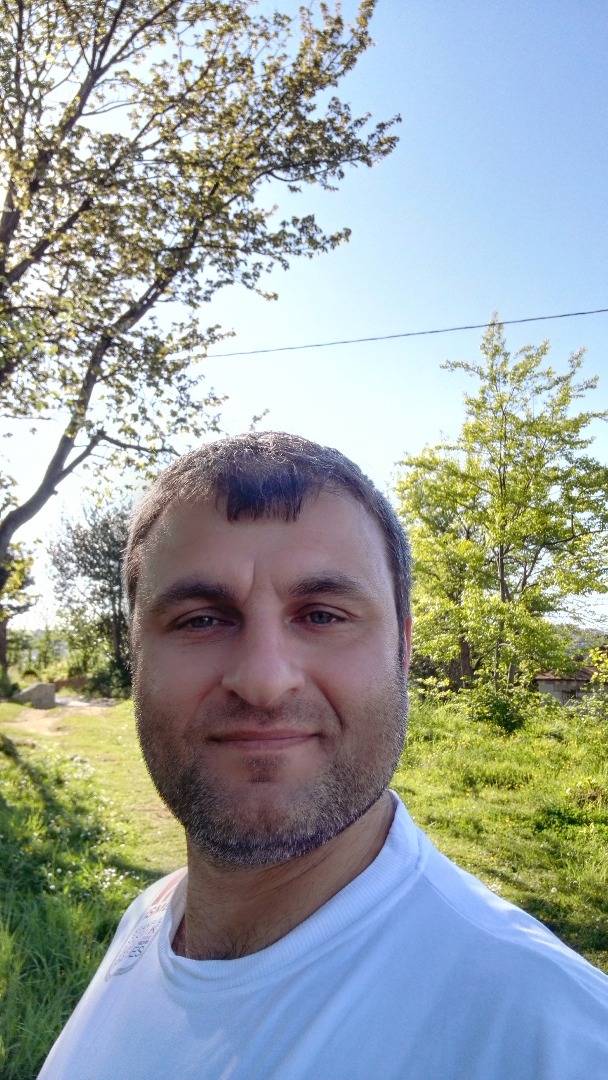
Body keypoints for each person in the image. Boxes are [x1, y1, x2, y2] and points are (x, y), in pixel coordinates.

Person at [39, 432, 608, 1080]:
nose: (263, 680)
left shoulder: (555, 1041)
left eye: (323, 615)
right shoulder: (146, 924)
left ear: (402, 649)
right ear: (137, 657)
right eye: (201, 619)